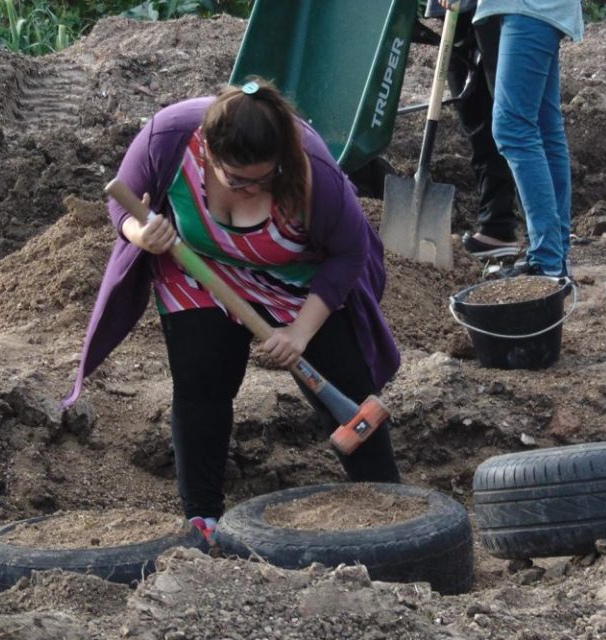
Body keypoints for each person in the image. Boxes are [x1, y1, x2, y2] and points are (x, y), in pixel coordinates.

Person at [65, 79, 403, 538]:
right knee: (202, 383)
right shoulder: (168, 139)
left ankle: (390, 507)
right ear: (207, 150)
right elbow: (123, 203)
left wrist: (300, 333)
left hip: (297, 280)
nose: (251, 188)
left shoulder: (312, 169)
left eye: (264, 178)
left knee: (350, 387)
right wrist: (139, 234)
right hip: (198, 270)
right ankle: (203, 517)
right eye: (238, 179)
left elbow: (349, 253)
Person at [473, 0, 582, 278]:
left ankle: (546, 261)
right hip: (538, 10)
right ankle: (554, 257)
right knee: (545, 132)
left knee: (512, 128)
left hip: (530, 8)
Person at [432, 0, 523, 259]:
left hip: (496, 8)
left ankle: (528, 231)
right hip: (454, 8)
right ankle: (496, 223)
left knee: (505, 112)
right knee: (471, 106)